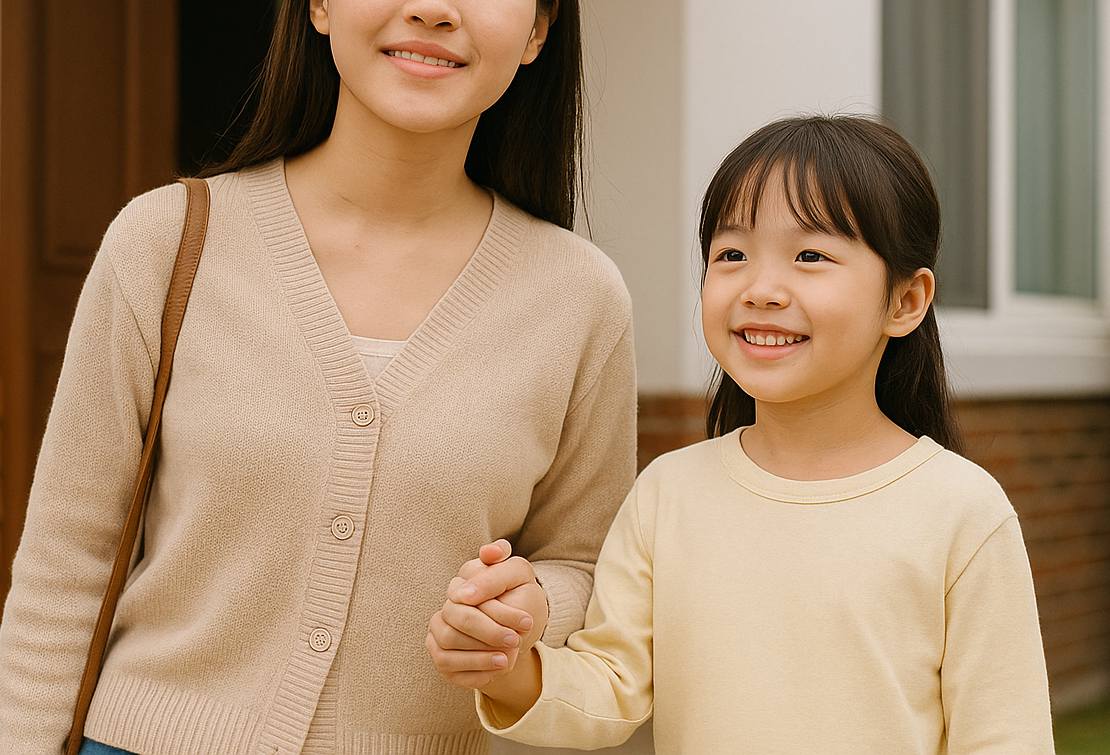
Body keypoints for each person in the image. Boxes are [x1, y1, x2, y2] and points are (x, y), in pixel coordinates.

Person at [0, 0, 638, 755]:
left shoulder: (580, 299)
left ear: (537, 30)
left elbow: (584, 566)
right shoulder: (166, 242)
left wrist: (532, 602)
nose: (434, 3)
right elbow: (64, 565)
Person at [428, 115, 1056, 754]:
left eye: (810, 256)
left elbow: (1005, 738)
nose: (761, 290)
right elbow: (611, 687)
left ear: (905, 301)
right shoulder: (669, 493)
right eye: (732, 255)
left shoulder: (962, 511)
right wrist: (506, 665)